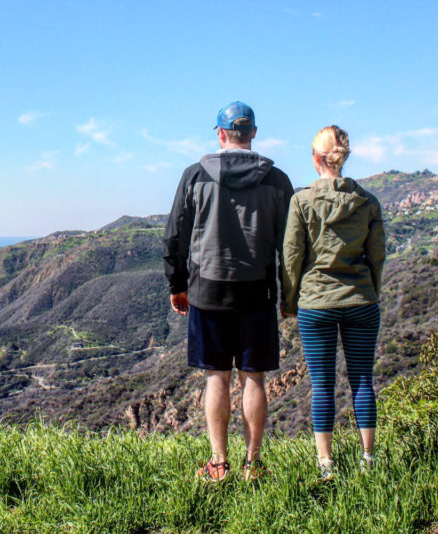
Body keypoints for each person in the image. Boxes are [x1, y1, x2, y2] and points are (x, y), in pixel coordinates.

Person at [163, 101, 294, 482]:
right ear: (253, 133)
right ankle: (253, 463)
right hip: (258, 291)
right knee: (254, 378)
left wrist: (177, 284)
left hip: (207, 290)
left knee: (215, 377)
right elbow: (290, 245)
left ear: (220, 134)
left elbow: (174, 236)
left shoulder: (194, 176)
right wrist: (289, 294)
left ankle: (218, 463)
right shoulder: (277, 180)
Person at [281, 125, 386, 480]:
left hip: (316, 303)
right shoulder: (368, 202)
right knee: (362, 380)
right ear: (344, 158)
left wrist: (291, 300)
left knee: (323, 384)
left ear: (315, 159)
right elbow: (378, 256)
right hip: (361, 300)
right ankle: (368, 459)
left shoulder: (302, 201)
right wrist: (372, 290)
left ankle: (326, 464)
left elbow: (292, 257)